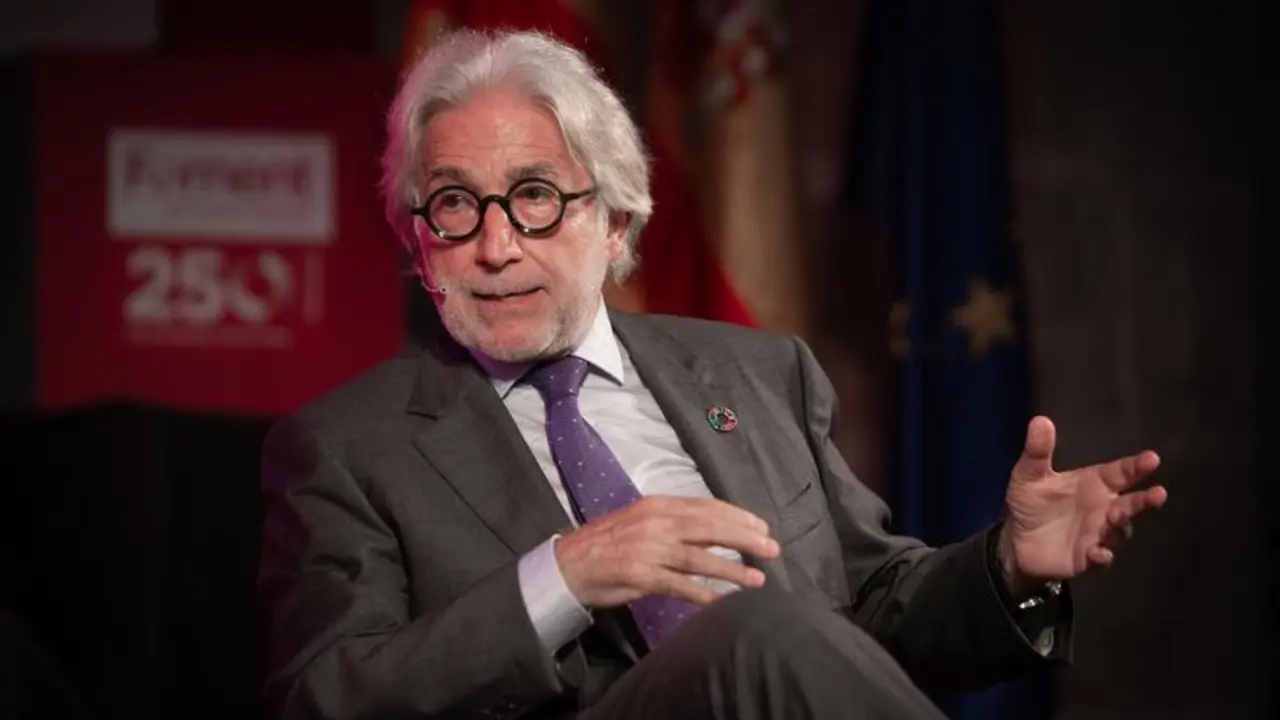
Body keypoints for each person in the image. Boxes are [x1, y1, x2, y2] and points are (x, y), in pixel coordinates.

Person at [257, 29, 1167, 720]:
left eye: (535, 196)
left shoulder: (761, 372)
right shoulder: (347, 448)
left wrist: (1008, 565)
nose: (496, 246)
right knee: (758, 621)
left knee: (779, 623)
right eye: (455, 204)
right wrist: (564, 576)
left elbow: (869, 613)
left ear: (615, 223)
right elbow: (322, 695)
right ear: (419, 242)